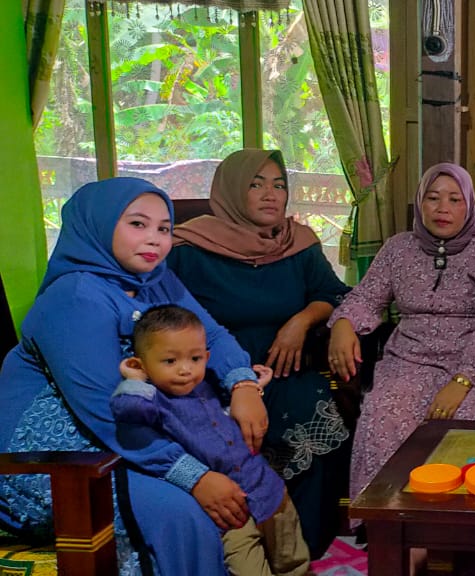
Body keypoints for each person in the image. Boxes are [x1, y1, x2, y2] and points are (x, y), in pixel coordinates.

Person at [0, 178, 269, 576]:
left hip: (132, 435)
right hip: (58, 459)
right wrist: (194, 478)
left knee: (246, 471)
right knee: (183, 513)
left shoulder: (156, 281)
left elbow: (210, 335)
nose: (155, 239)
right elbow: (103, 410)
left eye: (164, 228)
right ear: (97, 225)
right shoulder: (74, 297)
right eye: (138, 224)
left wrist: (243, 385)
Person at [169, 148, 352, 557]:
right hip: (210, 378)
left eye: (279, 185)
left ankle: (302, 551)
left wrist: (301, 320)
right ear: (232, 190)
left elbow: (332, 294)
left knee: (316, 416)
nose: (271, 194)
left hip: (285, 371)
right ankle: (237, 552)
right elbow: (164, 320)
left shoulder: (296, 243)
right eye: (256, 184)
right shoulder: (187, 249)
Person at [328, 162, 475, 503]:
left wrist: (462, 381)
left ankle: (450, 526)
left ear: (468, 206)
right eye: (433, 198)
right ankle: (387, 518)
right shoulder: (398, 249)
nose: (443, 208)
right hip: (408, 361)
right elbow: (367, 297)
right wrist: (343, 323)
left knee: (467, 424)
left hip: (472, 368)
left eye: (455, 199)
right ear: (420, 203)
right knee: (383, 416)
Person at [113, 305, 309, 576]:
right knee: (247, 568)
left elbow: (231, 410)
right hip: (229, 511)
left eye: (195, 358)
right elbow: (128, 410)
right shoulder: (153, 400)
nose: (185, 370)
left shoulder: (207, 384)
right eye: (170, 361)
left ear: (206, 357)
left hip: (267, 489)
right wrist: (135, 379)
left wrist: (252, 385)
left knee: (292, 558)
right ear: (141, 364)